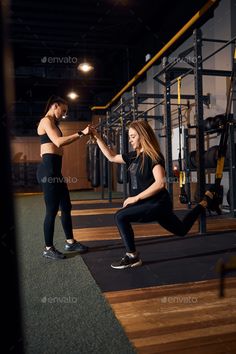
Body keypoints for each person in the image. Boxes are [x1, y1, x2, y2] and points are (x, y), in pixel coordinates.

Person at [89, 120, 220, 269]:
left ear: (142, 136)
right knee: (182, 230)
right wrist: (97, 136)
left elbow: (160, 183)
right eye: (129, 136)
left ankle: (132, 256)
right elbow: (111, 157)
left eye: (133, 136)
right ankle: (204, 203)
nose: (130, 140)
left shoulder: (154, 156)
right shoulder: (134, 156)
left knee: (120, 216)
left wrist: (135, 197)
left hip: (158, 204)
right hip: (148, 204)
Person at [37, 95, 89, 260]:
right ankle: (48, 248)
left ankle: (70, 241)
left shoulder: (53, 123)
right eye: (63, 110)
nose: (64, 114)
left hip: (55, 172)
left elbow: (54, 145)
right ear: (55, 105)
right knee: (52, 211)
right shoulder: (46, 120)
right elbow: (58, 142)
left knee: (66, 207)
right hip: (48, 172)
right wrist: (81, 133)